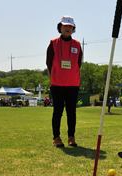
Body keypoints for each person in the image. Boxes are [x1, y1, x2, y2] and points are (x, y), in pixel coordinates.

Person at [46, 15, 83, 148]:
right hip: (57, 84)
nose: (67, 28)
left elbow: (79, 63)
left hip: (73, 84)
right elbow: (49, 62)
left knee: (71, 111)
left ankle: (71, 137)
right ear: (60, 27)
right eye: (65, 26)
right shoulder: (53, 43)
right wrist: (56, 74)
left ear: (73, 29)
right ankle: (56, 137)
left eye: (70, 26)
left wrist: (71, 74)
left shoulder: (77, 45)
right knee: (58, 111)